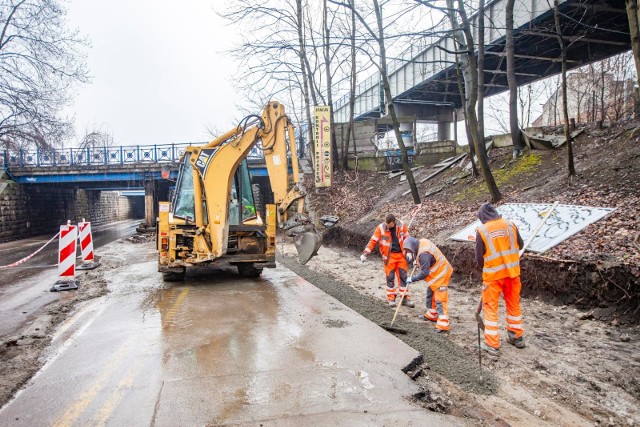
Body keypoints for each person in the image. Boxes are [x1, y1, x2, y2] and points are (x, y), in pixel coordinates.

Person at [475, 202, 526, 356]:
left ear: (482, 217)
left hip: (493, 276)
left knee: (490, 307)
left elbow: (479, 259)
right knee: (513, 305)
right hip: (512, 273)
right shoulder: (510, 225)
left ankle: (492, 343)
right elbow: (521, 244)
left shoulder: (482, 230)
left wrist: (490, 265)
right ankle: (517, 337)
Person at [361, 214, 414, 308]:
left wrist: (409, 251)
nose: (387, 227)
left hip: (401, 255)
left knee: (403, 277)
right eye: (386, 224)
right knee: (390, 278)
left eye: (389, 225)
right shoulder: (381, 228)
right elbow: (373, 240)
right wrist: (366, 253)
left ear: (394, 222)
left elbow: (408, 238)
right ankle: (391, 299)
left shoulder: (401, 225)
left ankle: (404, 299)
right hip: (389, 257)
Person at [404, 236, 453, 333]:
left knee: (440, 300)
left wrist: (412, 279)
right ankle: (432, 314)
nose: (410, 252)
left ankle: (443, 325)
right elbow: (425, 261)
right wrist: (416, 263)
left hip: (441, 274)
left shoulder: (423, 254)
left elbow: (424, 273)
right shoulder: (422, 242)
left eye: (410, 251)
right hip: (436, 275)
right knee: (430, 293)